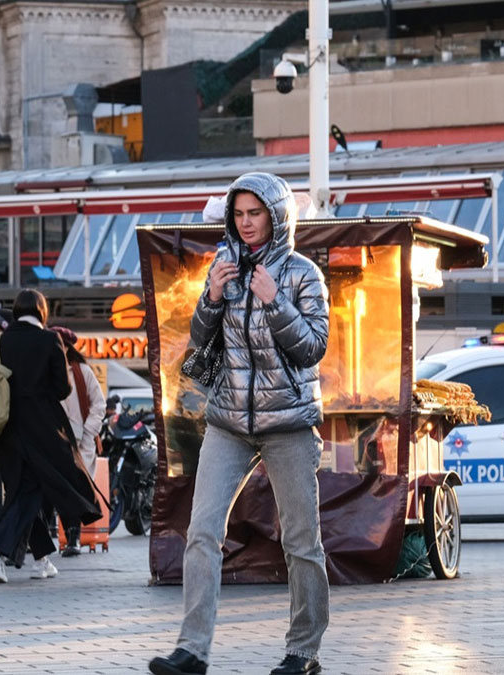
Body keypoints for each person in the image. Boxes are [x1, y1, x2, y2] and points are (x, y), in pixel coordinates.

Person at [149, 172, 330, 675]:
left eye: (256, 213)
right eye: (239, 214)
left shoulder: (303, 274)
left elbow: (312, 348)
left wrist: (275, 301)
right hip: (228, 422)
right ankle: (192, 650)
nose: (246, 223)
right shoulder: (223, 265)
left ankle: (304, 651)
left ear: (277, 216)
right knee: (201, 532)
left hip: (288, 423)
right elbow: (199, 343)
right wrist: (211, 297)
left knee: (301, 541)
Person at [0, 289, 102, 583]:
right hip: (43, 429)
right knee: (32, 489)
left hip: (5, 428)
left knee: (22, 490)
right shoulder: (49, 340)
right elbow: (62, 389)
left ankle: (41, 560)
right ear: (42, 311)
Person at [51, 325, 105, 556]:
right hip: (55, 439)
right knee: (60, 489)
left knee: (75, 490)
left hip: (81, 443)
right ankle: (63, 535)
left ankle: (73, 537)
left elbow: (99, 404)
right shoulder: (47, 370)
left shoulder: (82, 372)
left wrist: (88, 430)